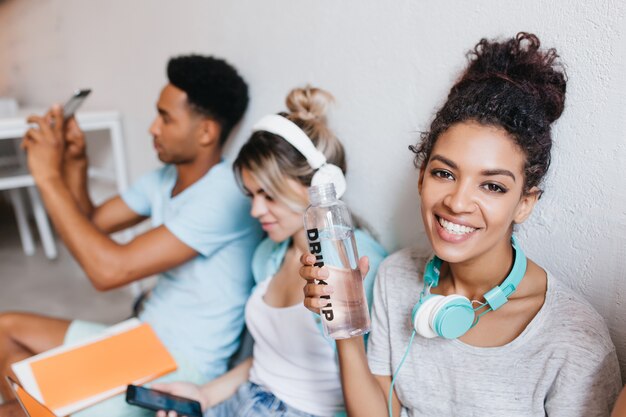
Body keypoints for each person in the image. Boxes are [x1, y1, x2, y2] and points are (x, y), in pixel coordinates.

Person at [301, 33, 622, 416]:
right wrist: (345, 326)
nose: (456, 202)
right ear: (421, 178)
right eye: (444, 173)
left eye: (492, 185)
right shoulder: (396, 277)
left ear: (524, 203)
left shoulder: (574, 341)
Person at [0, 55, 262, 417]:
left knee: (17, 409)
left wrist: (47, 176)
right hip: (140, 339)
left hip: (180, 364)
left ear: (206, 132)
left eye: (166, 117)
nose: (153, 128)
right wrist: (75, 163)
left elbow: (108, 272)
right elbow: (91, 223)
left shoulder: (225, 195)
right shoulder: (164, 179)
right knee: (4, 332)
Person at [153, 86, 387, 417]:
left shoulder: (363, 267)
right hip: (245, 399)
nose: (255, 211)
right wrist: (202, 396)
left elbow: (373, 386)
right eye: (251, 195)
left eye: (269, 195)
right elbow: (268, 356)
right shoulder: (269, 255)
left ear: (318, 185)